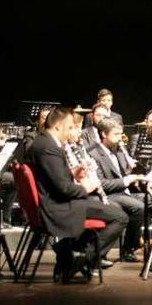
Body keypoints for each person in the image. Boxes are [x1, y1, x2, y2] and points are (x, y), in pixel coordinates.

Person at [26, 107, 128, 282]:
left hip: (56, 201)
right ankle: (79, 258)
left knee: (109, 212)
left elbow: (54, 178)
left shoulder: (43, 142)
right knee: (119, 217)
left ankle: (70, 250)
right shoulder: (49, 148)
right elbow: (63, 189)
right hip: (57, 207)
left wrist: (74, 173)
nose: (71, 132)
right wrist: (85, 188)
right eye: (70, 127)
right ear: (58, 127)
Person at [88, 119, 152, 263]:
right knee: (139, 207)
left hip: (124, 192)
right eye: (116, 134)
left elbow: (125, 172)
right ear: (104, 134)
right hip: (109, 194)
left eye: (121, 134)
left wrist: (135, 170)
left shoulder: (118, 150)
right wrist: (127, 179)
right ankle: (129, 248)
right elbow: (101, 183)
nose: (120, 138)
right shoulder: (93, 153)